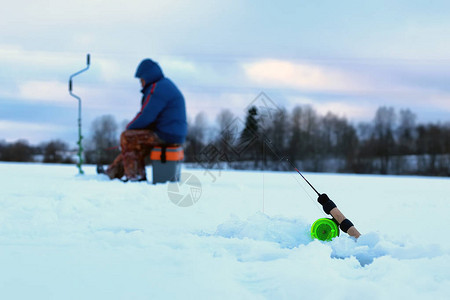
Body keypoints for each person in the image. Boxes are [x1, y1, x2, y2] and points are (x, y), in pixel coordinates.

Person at [100, 59, 187, 181]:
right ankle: (111, 172)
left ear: (148, 76)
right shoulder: (165, 85)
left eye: (141, 80)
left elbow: (146, 115)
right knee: (134, 146)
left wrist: (128, 128)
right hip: (172, 133)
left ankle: (135, 177)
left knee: (128, 137)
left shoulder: (157, 88)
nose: (141, 84)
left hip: (166, 134)